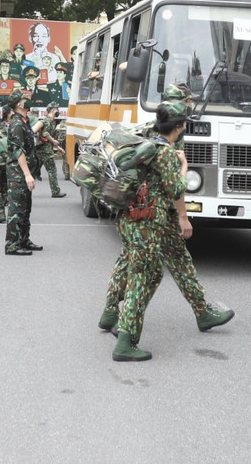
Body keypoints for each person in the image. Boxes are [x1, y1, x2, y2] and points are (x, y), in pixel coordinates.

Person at [99, 92, 233, 336]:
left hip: (133, 212)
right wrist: (183, 215)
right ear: (179, 123)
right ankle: (197, 313)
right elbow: (175, 188)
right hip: (157, 214)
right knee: (164, 267)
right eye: (187, 103)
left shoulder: (147, 130)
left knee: (129, 260)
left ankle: (111, 310)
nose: (190, 106)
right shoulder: (170, 143)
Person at [111, 101, 191, 361]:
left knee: (152, 272)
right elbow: (176, 190)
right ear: (180, 127)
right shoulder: (166, 152)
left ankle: (122, 324)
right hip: (145, 225)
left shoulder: (145, 143)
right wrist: (184, 168)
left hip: (128, 219)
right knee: (141, 278)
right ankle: (125, 342)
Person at [4, 90, 41, 256]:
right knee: (16, 211)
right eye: (25, 99)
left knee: (25, 209)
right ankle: (12, 245)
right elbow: (18, 151)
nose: (28, 100)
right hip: (18, 174)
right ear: (19, 104)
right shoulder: (17, 124)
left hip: (25, 172)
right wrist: (27, 174)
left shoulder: (24, 121)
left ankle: (24, 240)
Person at [37, 102, 66, 197]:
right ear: (53, 110)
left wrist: (58, 147)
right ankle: (55, 191)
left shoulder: (50, 121)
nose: (58, 111)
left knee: (33, 170)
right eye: (57, 109)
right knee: (52, 170)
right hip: (45, 150)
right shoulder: (49, 121)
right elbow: (45, 134)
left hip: (42, 149)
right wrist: (54, 142)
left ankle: (21, 191)